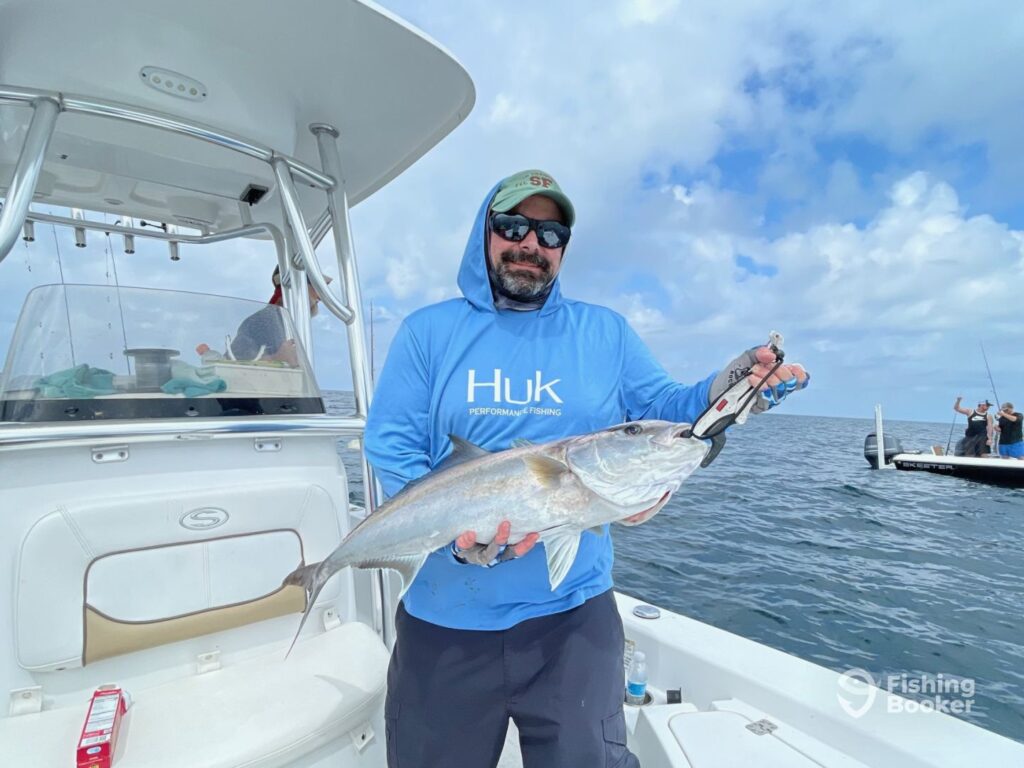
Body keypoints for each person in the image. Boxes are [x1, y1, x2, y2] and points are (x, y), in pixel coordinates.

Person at [363, 169, 809, 768]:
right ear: (485, 232)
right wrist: (449, 536)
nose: (531, 244)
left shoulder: (605, 332)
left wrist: (729, 387)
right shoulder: (428, 332)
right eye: (514, 225)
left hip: (573, 620)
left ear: (564, 248)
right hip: (447, 623)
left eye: (550, 234)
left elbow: (668, 415)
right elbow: (392, 444)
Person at [229, 267, 329, 365]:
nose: (320, 296)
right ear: (299, 286)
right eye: (316, 287)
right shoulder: (266, 318)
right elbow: (233, 361)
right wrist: (276, 358)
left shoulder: (286, 323)